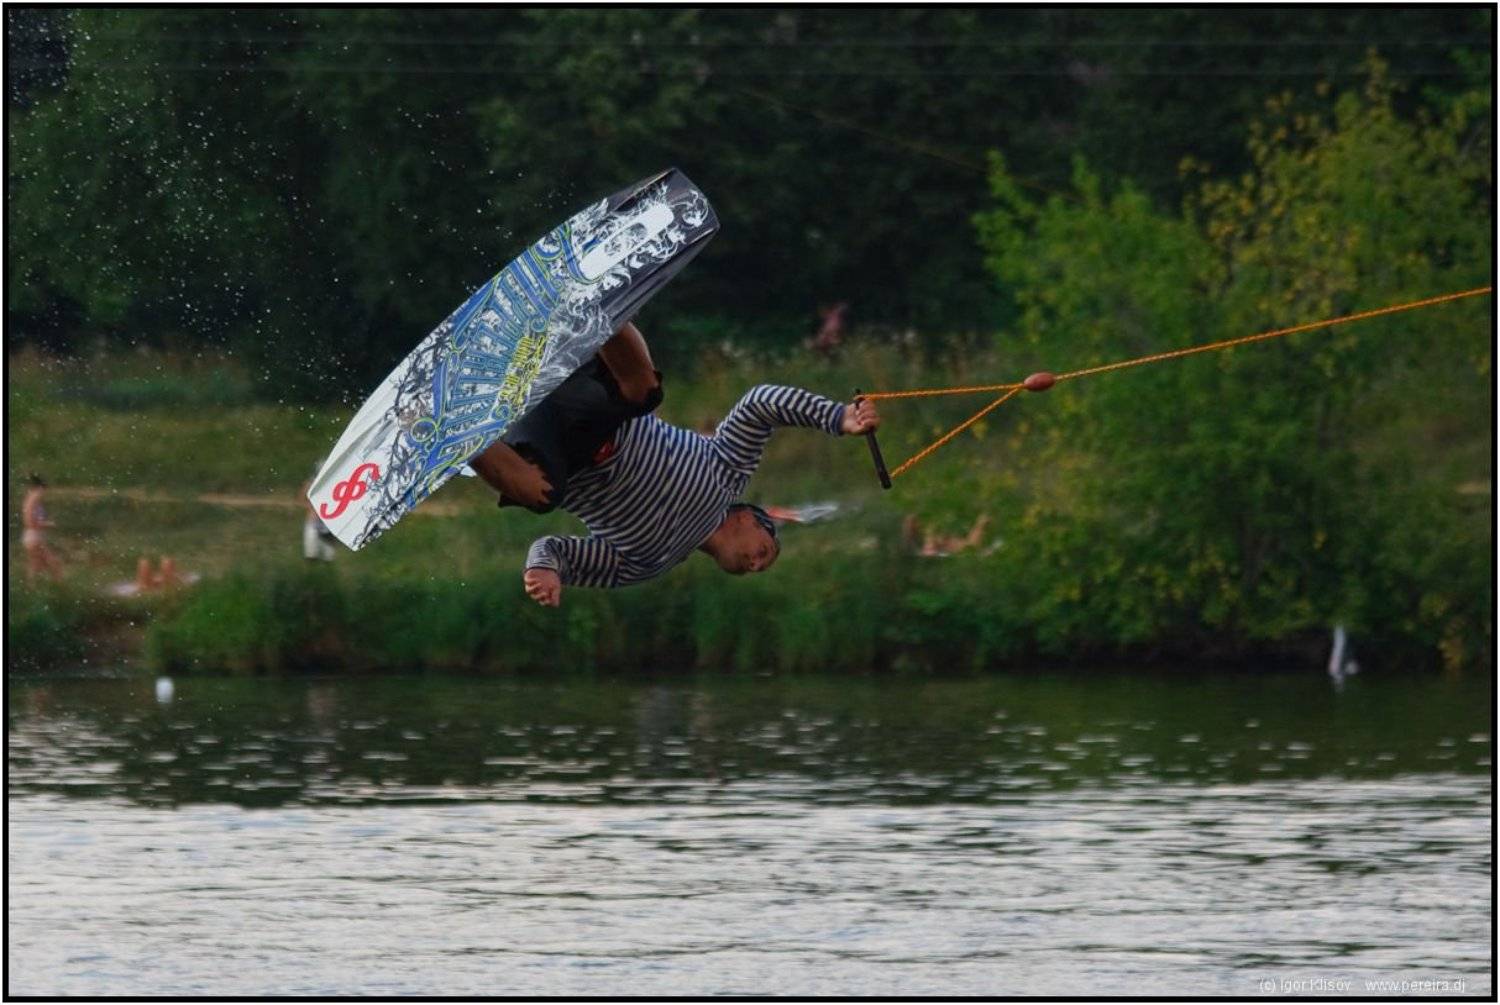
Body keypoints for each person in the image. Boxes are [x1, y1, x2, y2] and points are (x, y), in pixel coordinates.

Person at [468, 322, 880, 607]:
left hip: (548, 448)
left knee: (542, 497)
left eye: (755, 568)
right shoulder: (728, 472)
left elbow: (555, 549)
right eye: (764, 552)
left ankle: (461, 436)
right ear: (750, 519)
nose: (755, 565)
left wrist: (545, 570)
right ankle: (599, 312)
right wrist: (838, 418)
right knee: (645, 393)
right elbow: (760, 404)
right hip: (594, 405)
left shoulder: (646, 564)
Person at [22, 474, 63, 582]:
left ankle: (33, 591)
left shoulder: (32, 499)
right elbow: (29, 521)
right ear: (39, 488)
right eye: (43, 490)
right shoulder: (33, 498)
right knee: (54, 563)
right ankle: (59, 589)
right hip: (34, 536)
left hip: (34, 536)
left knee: (36, 565)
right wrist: (47, 524)